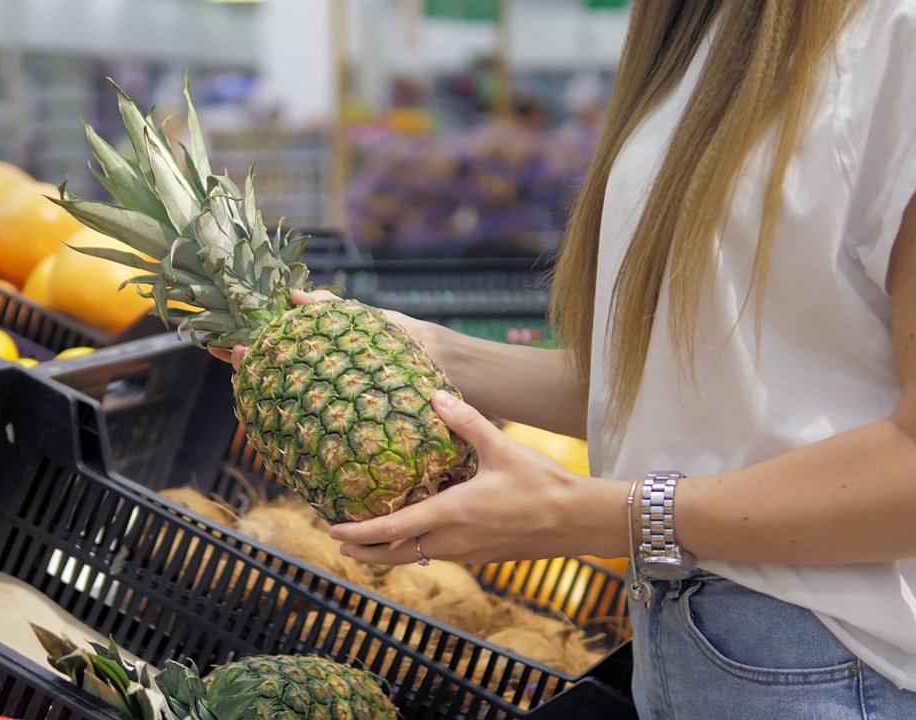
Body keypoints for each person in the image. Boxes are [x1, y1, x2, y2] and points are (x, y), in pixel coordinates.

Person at [210, 0, 916, 716]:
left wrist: (600, 516)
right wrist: (433, 352)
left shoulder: (897, 36)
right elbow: (703, 395)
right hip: (690, 644)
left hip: (832, 665)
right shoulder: (704, 35)